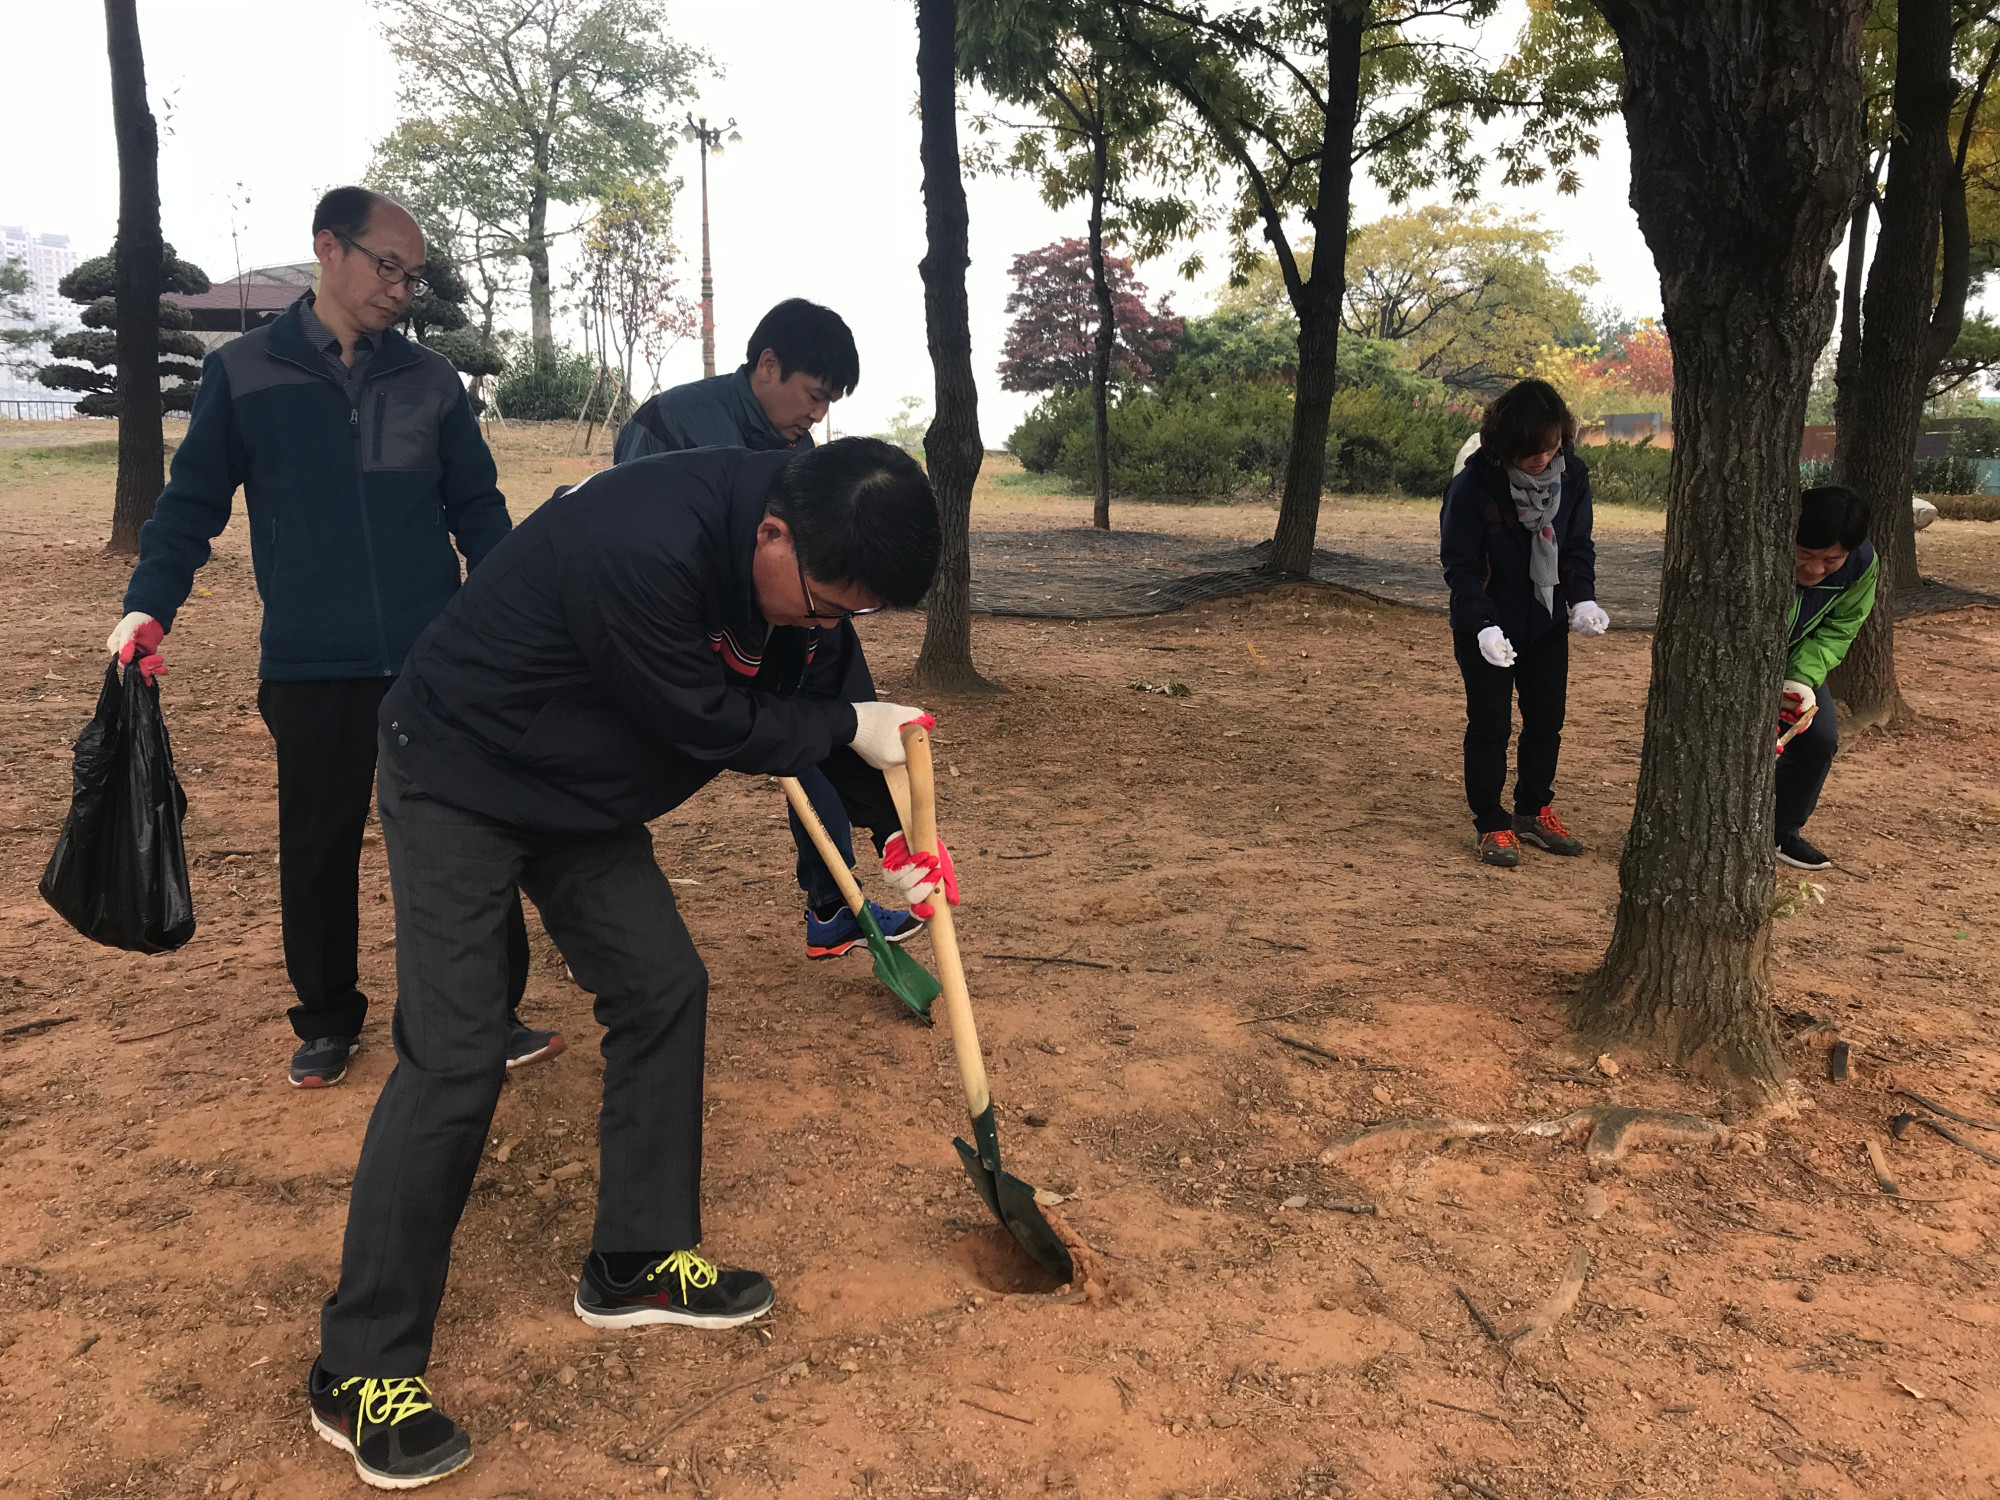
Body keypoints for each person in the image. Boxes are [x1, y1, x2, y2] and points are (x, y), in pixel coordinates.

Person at [306, 438, 949, 1491]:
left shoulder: (805, 578)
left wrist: (891, 845)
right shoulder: (641, 536)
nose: (830, 627)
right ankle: (360, 1366)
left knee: (662, 988)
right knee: (457, 1056)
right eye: (827, 603)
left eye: (855, 615)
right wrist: (836, 721)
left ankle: (635, 1260)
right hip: (460, 767)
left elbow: (830, 700)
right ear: (773, 533)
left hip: (580, 791)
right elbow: (700, 718)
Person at [107, 186, 561, 1089]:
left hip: (435, 663)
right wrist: (149, 604)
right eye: (386, 266)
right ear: (328, 247)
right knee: (317, 848)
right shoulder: (242, 374)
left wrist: (516, 619)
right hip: (311, 662)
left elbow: (477, 509)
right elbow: (190, 507)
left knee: (465, 837)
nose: (400, 289)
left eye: (413, 276)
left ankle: (486, 1009)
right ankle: (325, 1018)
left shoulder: (431, 379)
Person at [613, 298, 923, 961]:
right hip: (697, 638)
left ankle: (837, 900)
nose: (817, 414)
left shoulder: (799, 450)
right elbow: (638, 545)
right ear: (768, 365)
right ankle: (829, 900)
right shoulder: (669, 424)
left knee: (827, 725)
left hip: (786, 621)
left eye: (829, 402)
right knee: (786, 737)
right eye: (814, 395)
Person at [1439, 379, 1609, 867]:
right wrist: (1483, 625)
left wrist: (1582, 600)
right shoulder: (1474, 485)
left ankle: (1533, 810)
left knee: (1546, 721)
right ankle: (1491, 821)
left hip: (1546, 619)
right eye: (1530, 452)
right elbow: (1460, 564)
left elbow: (1577, 545)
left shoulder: (1572, 476)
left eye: (1551, 448)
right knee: (1491, 723)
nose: (1542, 460)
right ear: (1505, 445)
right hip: (1489, 622)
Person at [1776, 485, 1877, 871]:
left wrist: (1800, 678)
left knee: (1819, 739)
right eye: (1806, 555)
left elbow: (1841, 626)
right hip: (1735, 661)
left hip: (1802, 660)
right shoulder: (1760, 546)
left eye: (1831, 560)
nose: (1815, 570)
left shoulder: (1862, 563)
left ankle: (1781, 830)